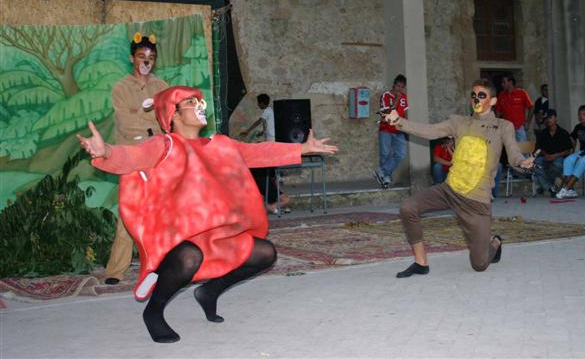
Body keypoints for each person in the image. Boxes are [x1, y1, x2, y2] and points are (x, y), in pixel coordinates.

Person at [77, 86, 337, 343]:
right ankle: (153, 311)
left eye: (199, 102)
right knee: (189, 257)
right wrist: (106, 152)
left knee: (265, 253)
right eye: (191, 103)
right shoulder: (164, 145)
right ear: (173, 114)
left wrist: (301, 149)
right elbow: (133, 156)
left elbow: (257, 153)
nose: (200, 107)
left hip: (217, 235)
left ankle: (209, 291)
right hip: (179, 238)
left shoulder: (221, 144)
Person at [381, 78, 534, 278]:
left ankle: (495, 242)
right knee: (408, 207)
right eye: (473, 95)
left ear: (493, 101)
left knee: (479, 264)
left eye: (481, 95)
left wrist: (522, 162)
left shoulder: (503, 126)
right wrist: (399, 121)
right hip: (449, 190)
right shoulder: (459, 122)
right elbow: (431, 131)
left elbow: (513, 154)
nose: (476, 99)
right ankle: (421, 263)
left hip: (476, 201)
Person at [104, 32, 169, 285]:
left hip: (158, 157)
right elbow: (125, 122)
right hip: (131, 157)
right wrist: (148, 118)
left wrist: (144, 118)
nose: (146, 61)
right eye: (142, 56)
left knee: (161, 212)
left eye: (151, 57)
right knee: (128, 212)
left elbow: (167, 119)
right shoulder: (121, 88)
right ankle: (115, 270)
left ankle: (161, 266)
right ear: (132, 58)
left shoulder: (161, 86)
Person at [556, 105, 585, 199]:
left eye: (584, 114)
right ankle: (571, 190)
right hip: (584, 151)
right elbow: (572, 137)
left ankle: (565, 189)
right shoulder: (578, 127)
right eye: (580, 114)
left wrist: (580, 155)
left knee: (581, 161)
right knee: (568, 160)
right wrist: (571, 144)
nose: (581, 116)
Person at [374, 74, 408, 188]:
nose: (399, 89)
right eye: (398, 86)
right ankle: (385, 178)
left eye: (402, 87)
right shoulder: (386, 96)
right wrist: (397, 99)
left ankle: (381, 171)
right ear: (394, 84)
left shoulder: (404, 97)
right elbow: (388, 112)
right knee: (385, 154)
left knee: (401, 154)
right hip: (386, 129)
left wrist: (406, 126)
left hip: (399, 130)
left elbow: (405, 113)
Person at [533, 109, 573, 196]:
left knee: (557, 165)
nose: (548, 120)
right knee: (535, 164)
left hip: (558, 158)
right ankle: (551, 187)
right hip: (546, 157)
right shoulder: (543, 133)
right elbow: (539, 148)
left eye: (550, 117)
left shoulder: (563, 133)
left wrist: (555, 155)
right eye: (546, 118)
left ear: (555, 118)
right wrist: (546, 155)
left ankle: (546, 185)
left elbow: (568, 151)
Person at [495, 73, 534, 142]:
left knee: (523, 148)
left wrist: (527, 122)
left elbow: (531, 107)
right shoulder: (501, 95)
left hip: (520, 127)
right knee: (509, 148)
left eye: (504, 82)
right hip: (507, 129)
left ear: (510, 82)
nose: (502, 84)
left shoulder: (522, 93)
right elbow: (498, 111)